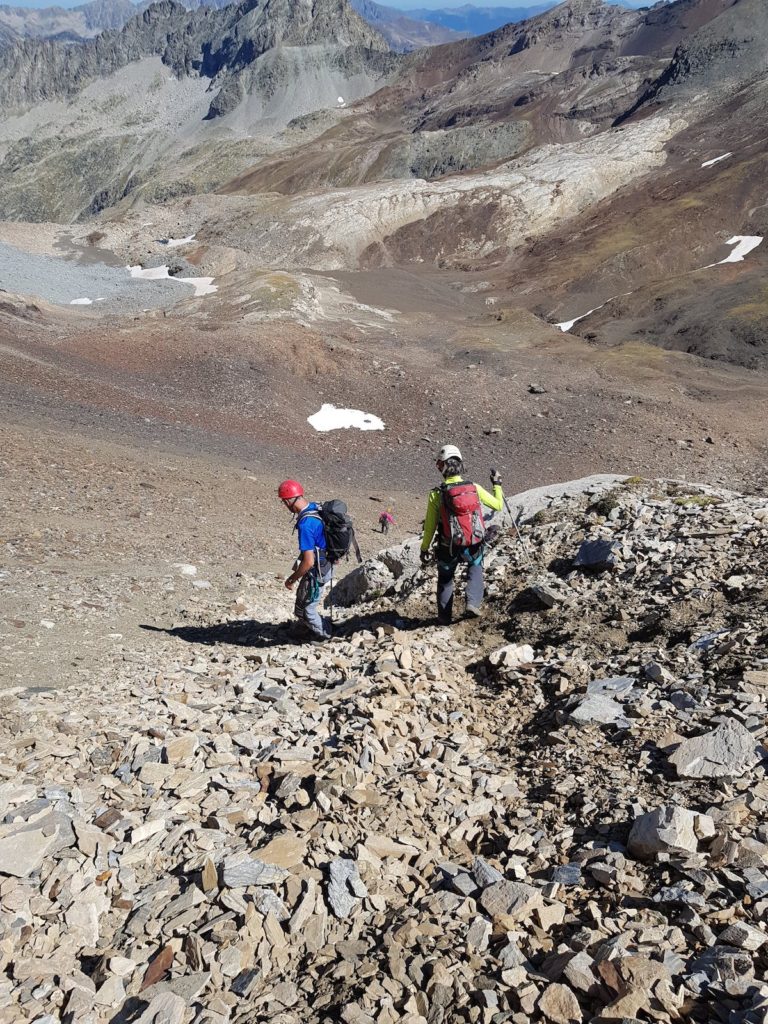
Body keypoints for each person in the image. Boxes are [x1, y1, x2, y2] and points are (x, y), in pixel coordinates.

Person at [419, 444, 504, 624]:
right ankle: (472, 603)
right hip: (473, 542)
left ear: (442, 466)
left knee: (446, 579)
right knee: (475, 567)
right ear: (460, 465)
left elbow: (430, 526)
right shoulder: (474, 487)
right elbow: (498, 505)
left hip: (448, 545)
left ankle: (444, 619)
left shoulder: (437, 494)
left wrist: (424, 548)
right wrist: (497, 484)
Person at [278, 479, 332, 642]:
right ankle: (303, 629)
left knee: (308, 608)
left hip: (317, 572)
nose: (284, 505)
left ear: (288, 500)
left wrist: (291, 579)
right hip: (327, 564)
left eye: (283, 502)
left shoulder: (306, 524)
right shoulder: (316, 508)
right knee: (302, 602)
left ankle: (325, 635)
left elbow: (308, 561)